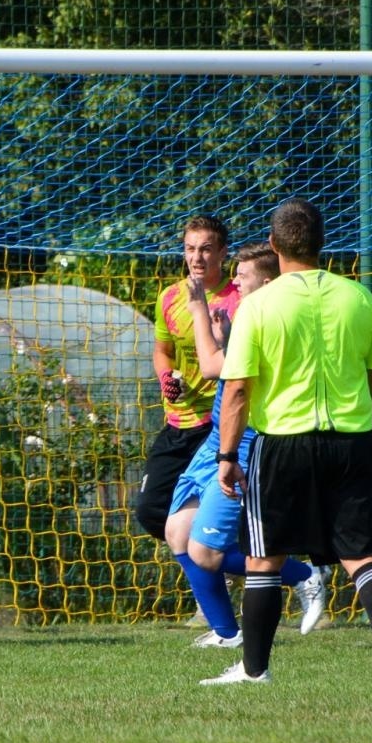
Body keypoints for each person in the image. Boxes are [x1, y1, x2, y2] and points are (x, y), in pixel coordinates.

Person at [204, 197, 372, 685]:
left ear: (274, 247)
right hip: (351, 442)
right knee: (360, 553)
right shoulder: (357, 297)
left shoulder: (258, 305)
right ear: (322, 243)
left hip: (283, 445)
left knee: (264, 558)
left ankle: (255, 670)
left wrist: (228, 456)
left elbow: (236, 388)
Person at [162, 242, 327, 649]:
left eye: (243, 275)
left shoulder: (268, 319)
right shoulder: (250, 316)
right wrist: (224, 335)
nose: (234, 280)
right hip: (216, 439)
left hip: (246, 444)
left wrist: (199, 307)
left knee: (205, 552)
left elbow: (213, 367)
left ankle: (303, 576)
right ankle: (227, 633)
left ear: (266, 282)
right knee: (178, 531)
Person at [135, 216, 238, 546]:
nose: (197, 257)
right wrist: (167, 377)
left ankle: (296, 574)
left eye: (206, 249)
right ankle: (214, 569)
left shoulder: (239, 299)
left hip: (218, 425)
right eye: (190, 249)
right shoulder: (170, 297)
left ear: (223, 252)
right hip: (179, 422)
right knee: (152, 513)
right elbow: (162, 351)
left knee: (212, 521)